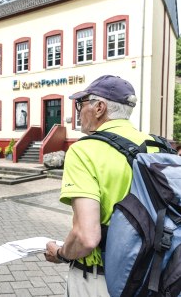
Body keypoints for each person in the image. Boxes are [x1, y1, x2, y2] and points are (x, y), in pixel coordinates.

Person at [44, 75, 156, 296]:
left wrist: (60, 253)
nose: (78, 111)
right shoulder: (157, 146)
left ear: (99, 108)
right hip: (154, 274)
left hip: (102, 280)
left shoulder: (84, 150)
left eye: (81, 104)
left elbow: (87, 237)